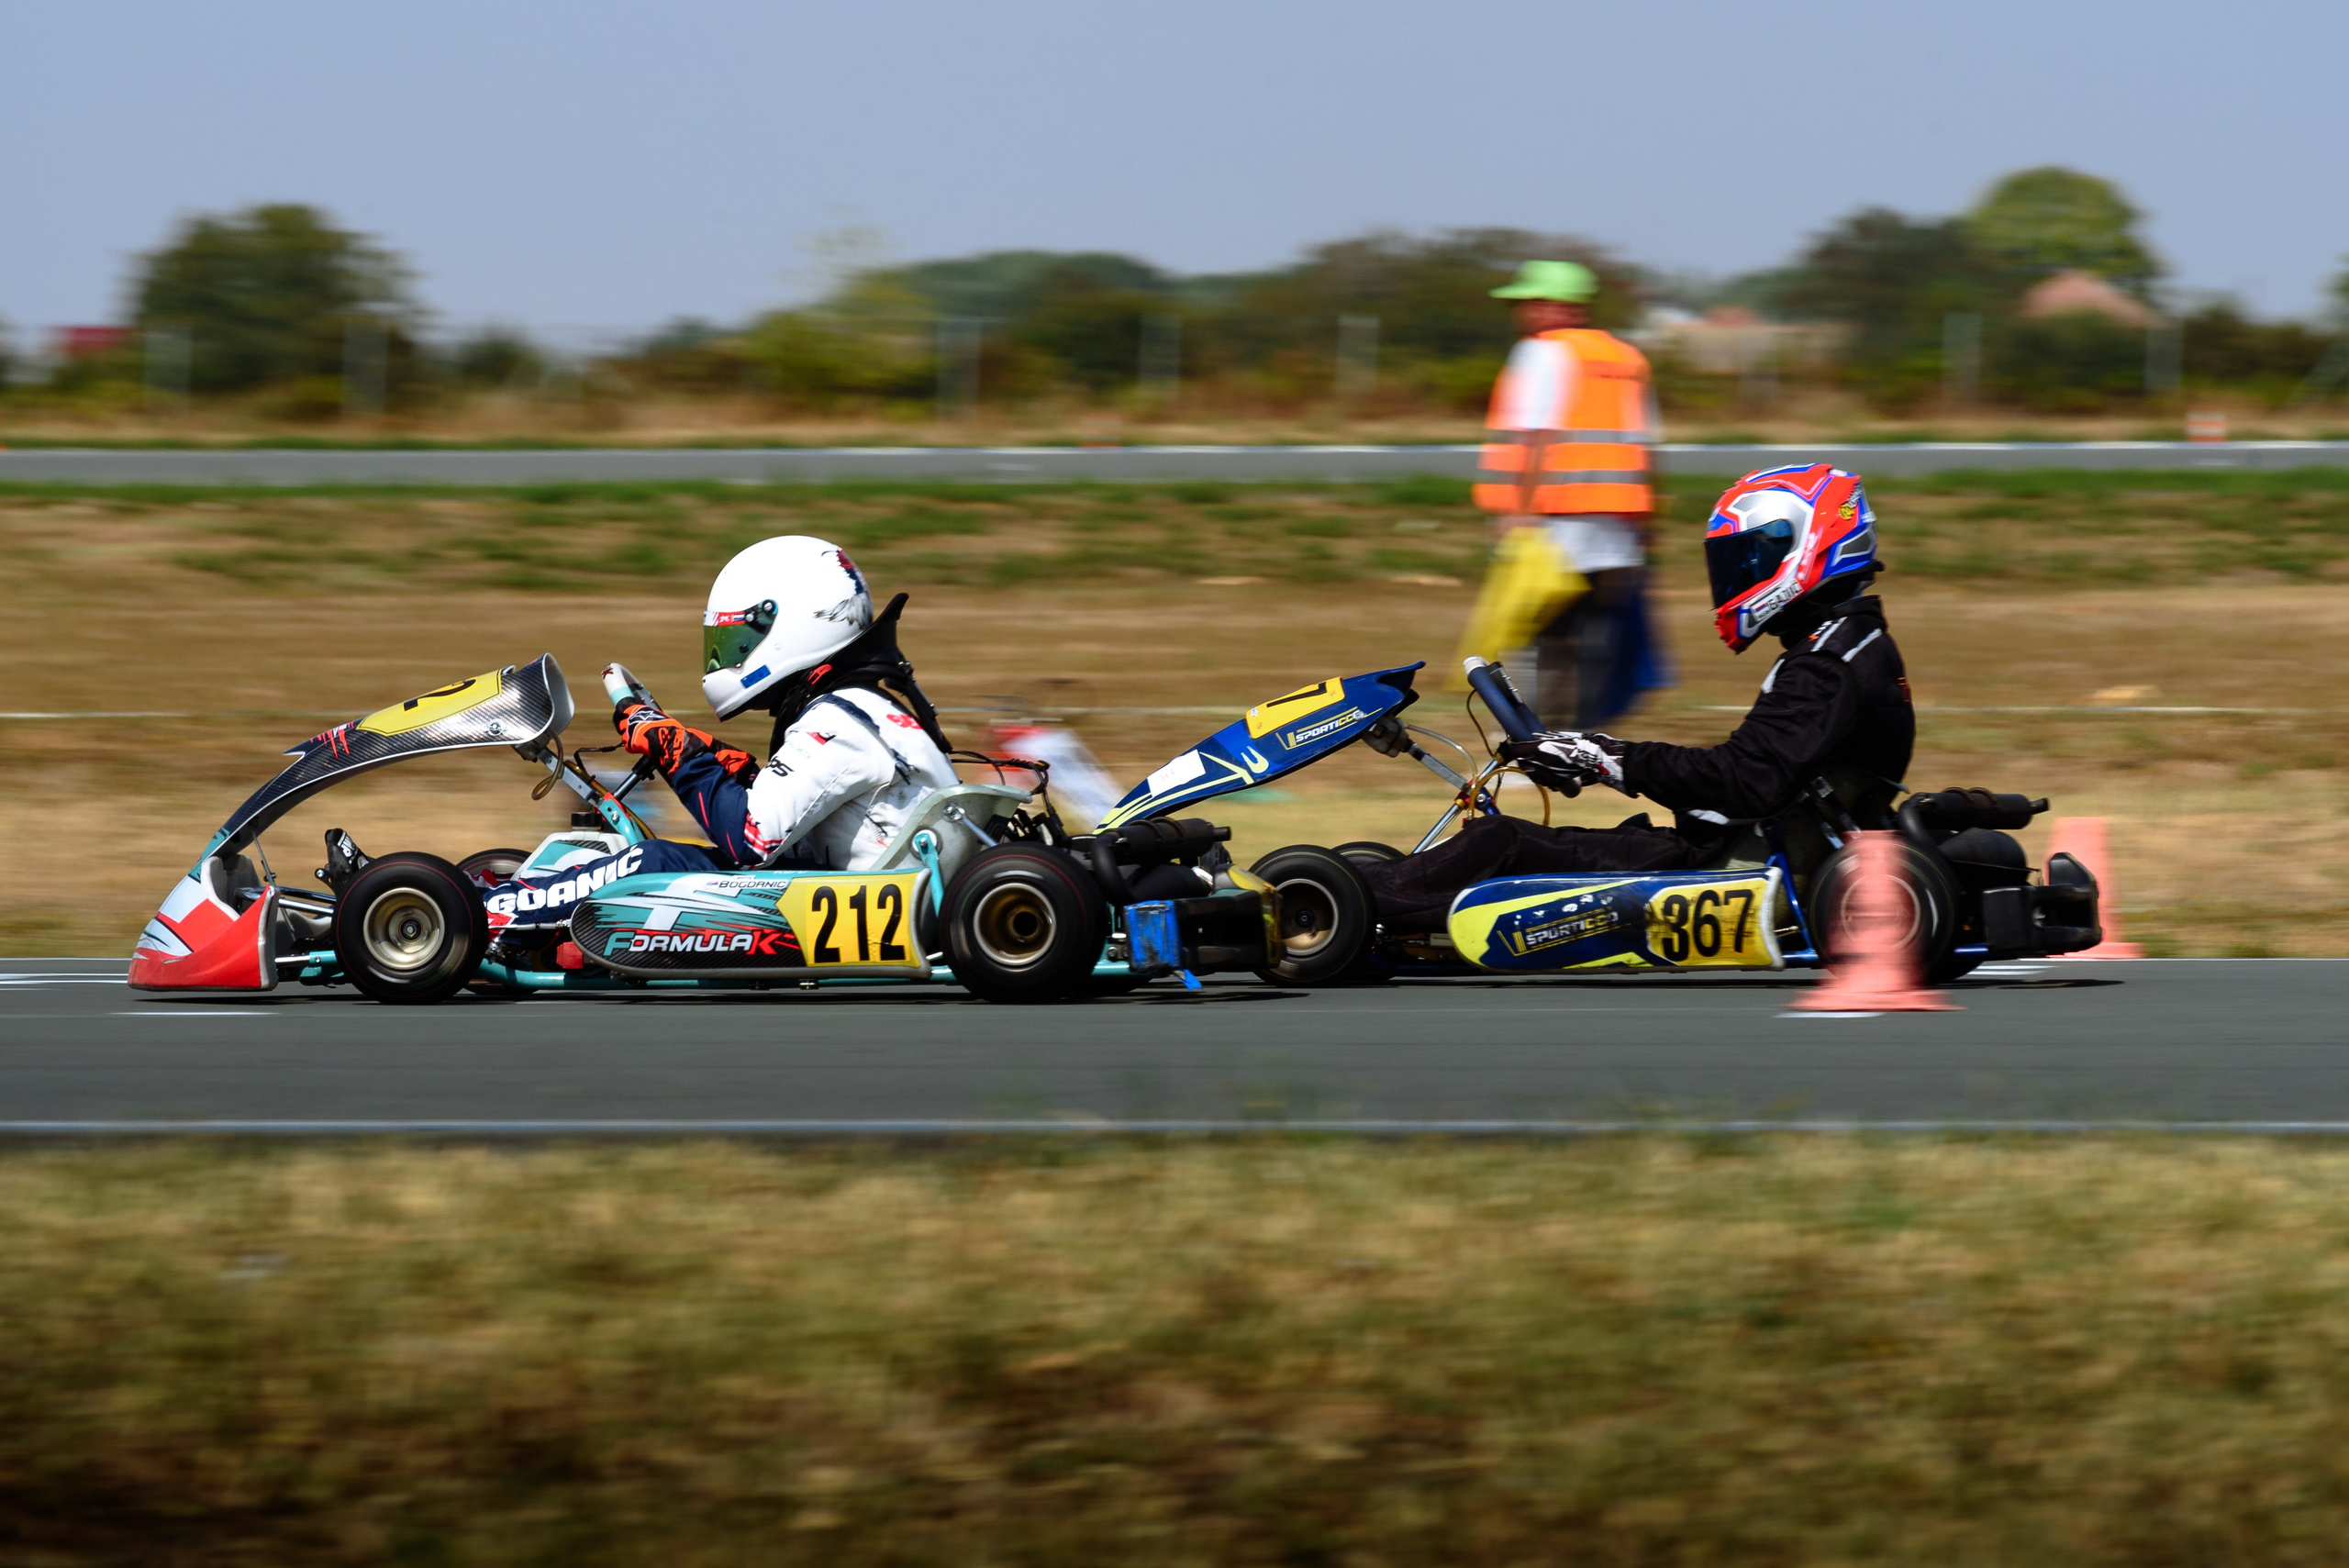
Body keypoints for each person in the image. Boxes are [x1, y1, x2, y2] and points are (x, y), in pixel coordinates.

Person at [1364, 464, 1913, 933]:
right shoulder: (1850, 646)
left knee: (1502, 843)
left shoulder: (1826, 662)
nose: (1739, 575)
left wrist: (1603, 757)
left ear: (1809, 544)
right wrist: (1594, 758)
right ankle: (1363, 888)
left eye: (1752, 556)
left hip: (1729, 876)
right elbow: (1757, 777)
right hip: (1736, 849)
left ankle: (1338, 903)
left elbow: (1746, 780)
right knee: (1526, 843)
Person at [471, 535, 959, 940]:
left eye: (735, 642)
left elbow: (750, 837)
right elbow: (798, 805)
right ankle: (527, 901)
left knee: (653, 862)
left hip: (876, 912)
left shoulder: (838, 722)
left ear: (791, 625)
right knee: (636, 855)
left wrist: (674, 750)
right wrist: (707, 756)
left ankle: (477, 915)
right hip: (875, 893)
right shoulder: (865, 708)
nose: (724, 659)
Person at [1454, 258, 1668, 728]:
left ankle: (1533, 744)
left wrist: (1517, 512)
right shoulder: (1627, 358)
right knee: (1593, 643)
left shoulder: (1542, 352)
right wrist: (1649, 527)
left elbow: (1535, 435)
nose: (1524, 312)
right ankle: (1586, 742)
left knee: (1534, 640)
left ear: (1561, 306)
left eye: (1532, 301)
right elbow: (1648, 448)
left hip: (1554, 524)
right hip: (1616, 530)